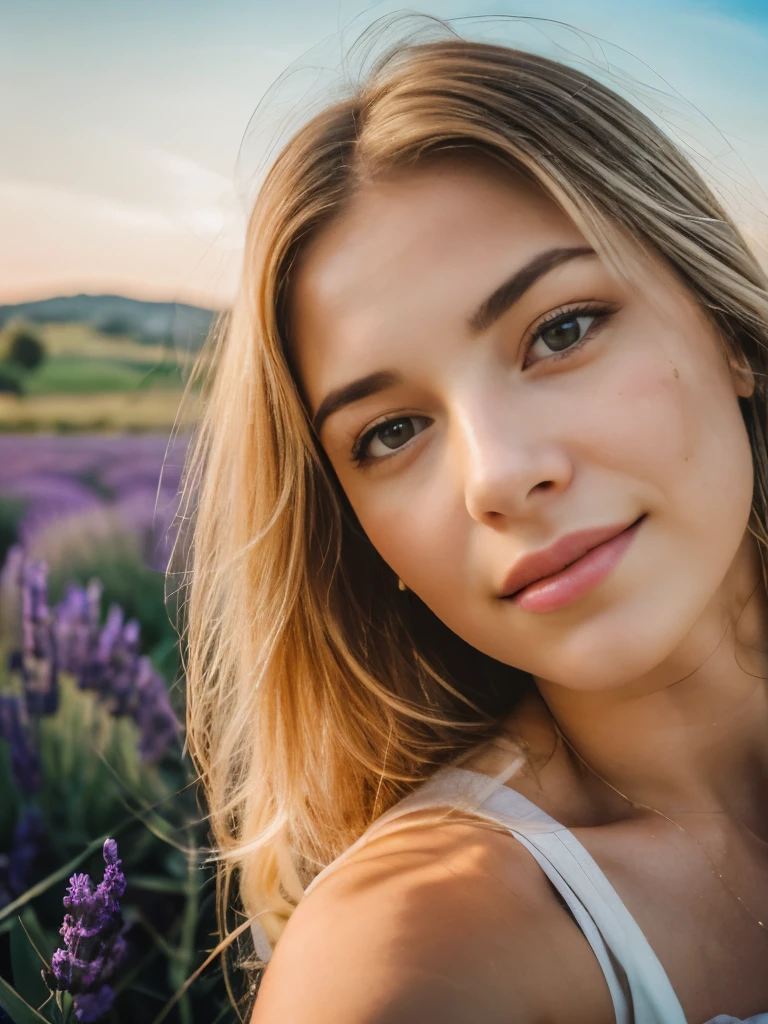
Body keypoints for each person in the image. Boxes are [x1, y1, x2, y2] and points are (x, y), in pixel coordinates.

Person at [178, 21, 768, 1024]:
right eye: (393, 430)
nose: (497, 476)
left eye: (561, 331)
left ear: (722, 328)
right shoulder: (415, 952)